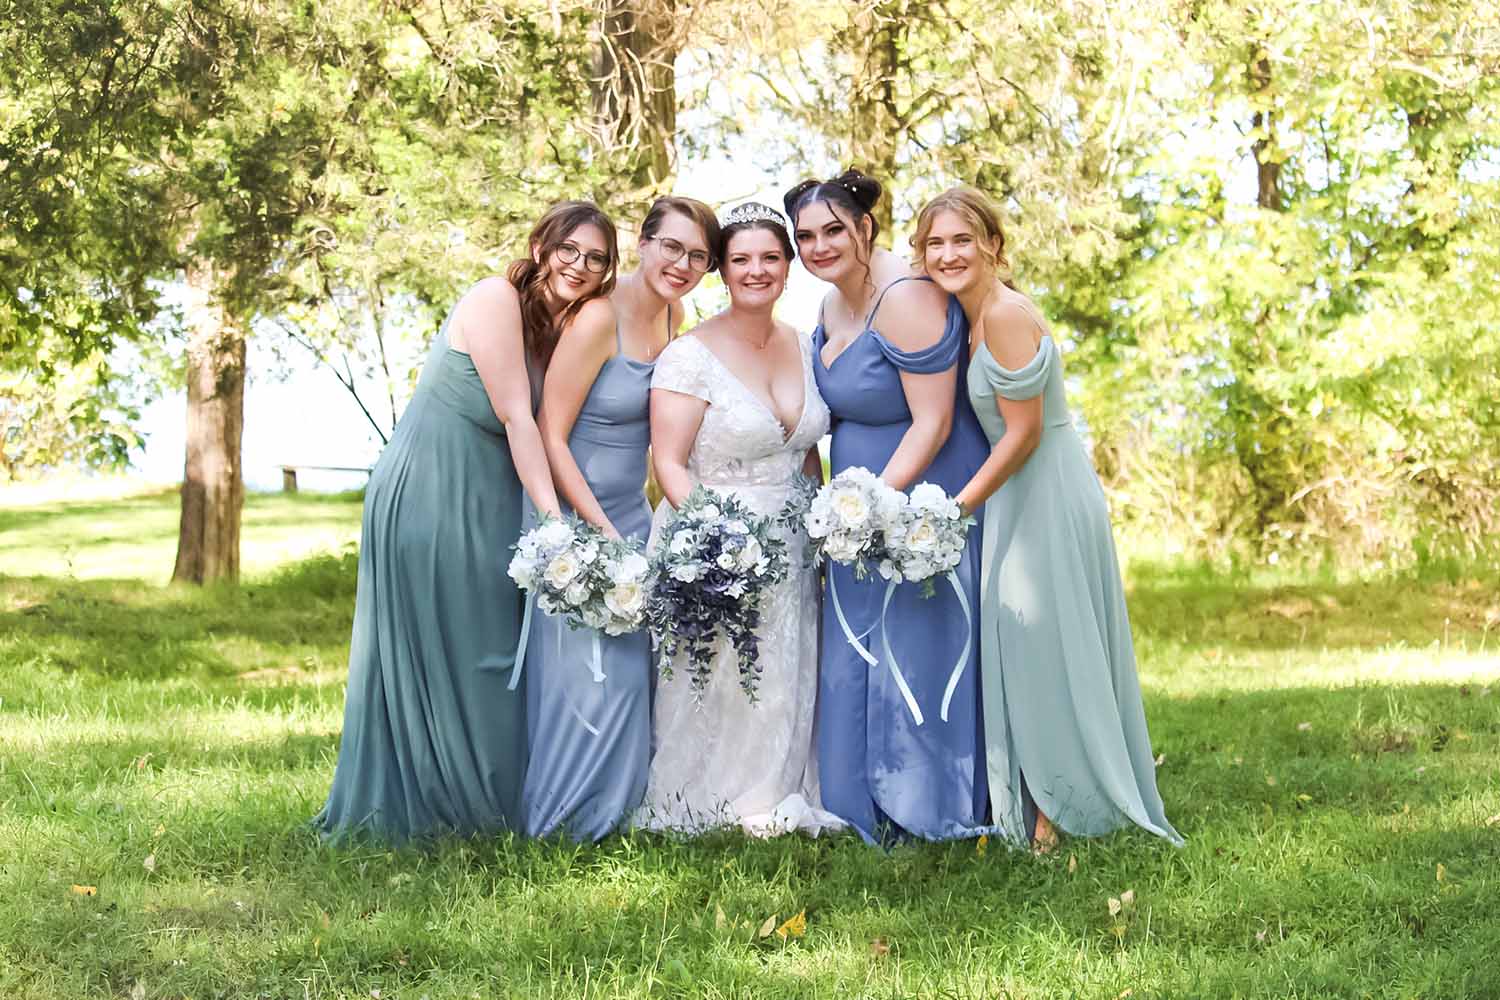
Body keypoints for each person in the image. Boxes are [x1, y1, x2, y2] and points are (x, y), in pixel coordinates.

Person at [315, 201, 617, 842]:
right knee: (453, 649)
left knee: (487, 648)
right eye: (570, 249)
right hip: (430, 488)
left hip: (486, 499)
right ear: (541, 245)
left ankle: (479, 808)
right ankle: (435, 808)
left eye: (596, 258)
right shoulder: (493, 299)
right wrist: (556, 525)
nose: (581, 266)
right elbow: (518, 418)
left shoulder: (556, 326)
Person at [914, 185, 1182, 851]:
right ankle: (1043, 795)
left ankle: (1062, 809)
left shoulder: (1004, 314)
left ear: (993, 247)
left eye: (961, 240)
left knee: (1044, 644)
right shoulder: (970, 318)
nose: (948, 254)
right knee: (1028, 645)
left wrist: (953, 511)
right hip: (1021, 495)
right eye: (934, 243)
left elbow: (1024, 433)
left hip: (1046, 493)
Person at [786, 169, 988, 843]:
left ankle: (922, 798)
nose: (818, 246)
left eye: (833, 230)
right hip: (854, 506)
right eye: (805, 236)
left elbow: (932, 421)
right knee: (853, 646)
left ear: (864, 228)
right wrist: (843, 509)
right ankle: (855, 798)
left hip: (914, 493)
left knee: (912, 640)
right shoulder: (828, 305)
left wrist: (876, 507)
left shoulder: (905, 297)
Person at [633, 202, 842, 837]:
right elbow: (668, 463)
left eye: (771, 258)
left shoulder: (805, 345)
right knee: (721, 673)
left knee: (785, 671)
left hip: (795, 540)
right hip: (717, 538)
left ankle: (780, 790)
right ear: (722, 270)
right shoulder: (689, 355)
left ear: (789, 267)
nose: (757, 270)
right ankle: (707, 800)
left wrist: (826, 528)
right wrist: (712, 542)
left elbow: (805, 450)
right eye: (741, 259)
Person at [521, 197, 720, 840]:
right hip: (574, 517)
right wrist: (599, 535)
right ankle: (564, 822)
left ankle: (619, 813)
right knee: (586, 678)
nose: (682, 264)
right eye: (672, 247)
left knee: (632, 674)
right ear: (643, 242)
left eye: (698, 256)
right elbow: (550, 435)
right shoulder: (597, 318)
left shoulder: (674, 316)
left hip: (633, 517)